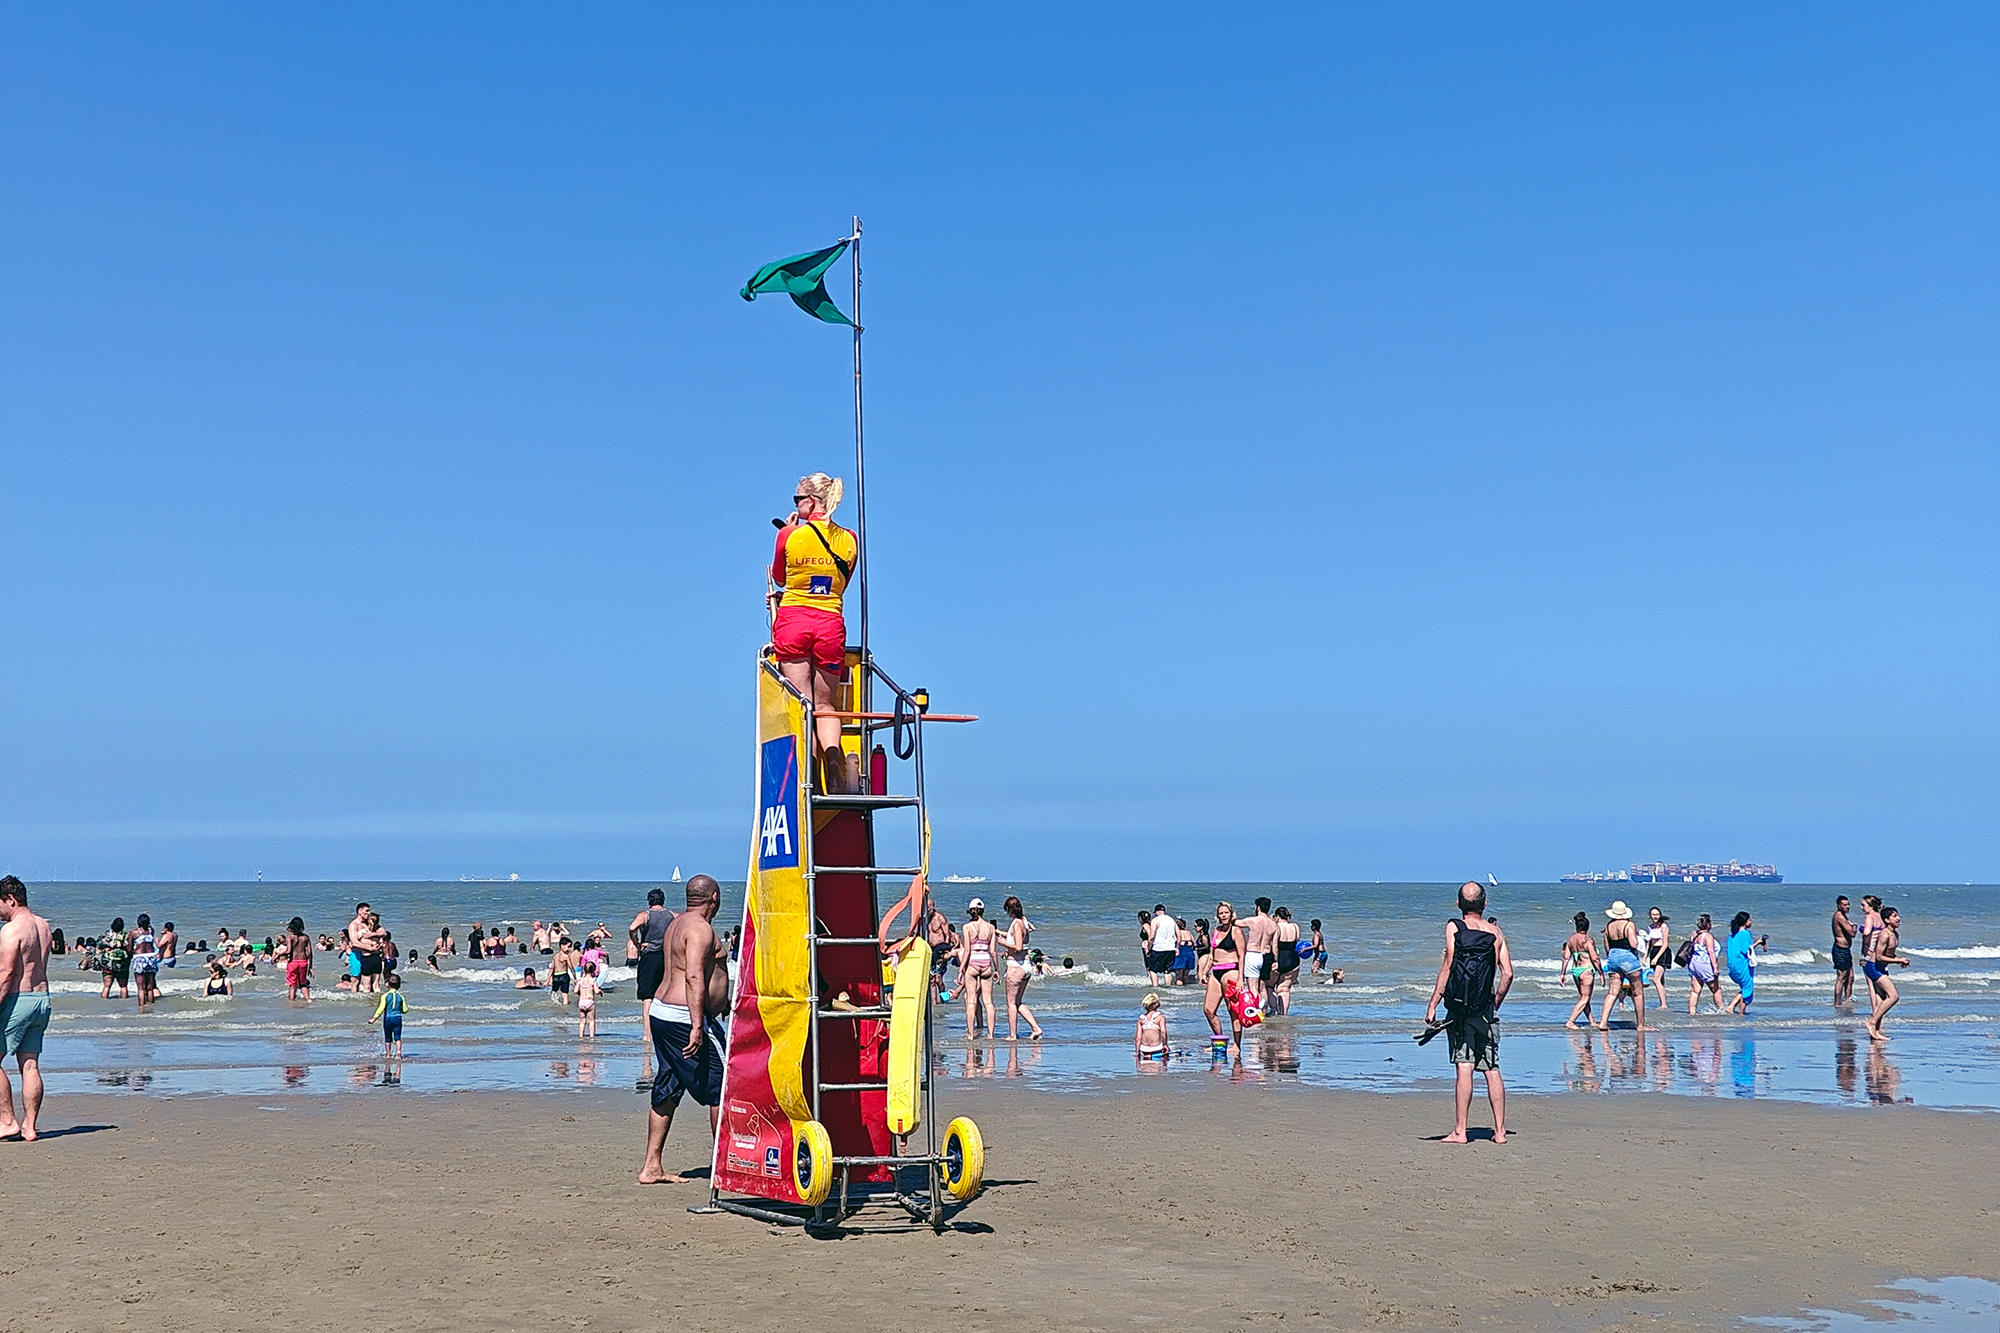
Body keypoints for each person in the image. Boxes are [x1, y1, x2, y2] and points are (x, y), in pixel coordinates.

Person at [766, 473, 860, 794]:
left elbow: (780, 577)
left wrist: (791, 531)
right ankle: (833, 765)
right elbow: (840, 583)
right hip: (830, 624)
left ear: (810, 502)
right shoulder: (849, 539)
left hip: (793, 620)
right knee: (825, 704)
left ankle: (809, 777)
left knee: (801, 703)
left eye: (797, 499)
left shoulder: (789, 536)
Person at [639, 875, 728, 1185]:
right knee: (723, 1086)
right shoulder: (700, 929)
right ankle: (724, 1166)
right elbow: (692, 977)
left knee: (669, 1084)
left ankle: (652, 1166)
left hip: (663, 1012)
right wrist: (697, 1025)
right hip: (684, 1016)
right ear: (714, 897)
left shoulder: (677, 923)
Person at [1424, 882, 1513, 1145]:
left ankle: (1460, 1131)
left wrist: (1432, 1004)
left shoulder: (1454, 927)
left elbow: (1448, 966)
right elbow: (1508, 973)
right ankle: (1499, 1132)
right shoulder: (1495, 932)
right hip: (1484, 1009)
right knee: (1492, 1068)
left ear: (1458, 904)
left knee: (1465, 1068)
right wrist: (1495, 1001)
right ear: (1485, 905)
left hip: (1459, 1008)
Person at [0, 876, 54, 1142]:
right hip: (42, 999)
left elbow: (6, 973)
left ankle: (8, 1121)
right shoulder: (44, 926)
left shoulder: (11, 930)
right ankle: (29, 1128)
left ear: (10, 899)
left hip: (18, 1000)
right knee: (30, 1064)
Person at [1202, 902, 1247, 1055]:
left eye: (1226, 912)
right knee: (1208, 1010)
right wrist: (1204, 971)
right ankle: (1219, 1042)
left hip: (1231, 971)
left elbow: (1242, 956)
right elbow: (1211, 954)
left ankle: (1236, 1045)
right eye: (1221, 913)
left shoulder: (1236, 931)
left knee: (1232, 1011)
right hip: (1216, 972)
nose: (1223, 915)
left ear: (1231, 913)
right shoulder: (1216, 930)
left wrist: (1241, 978)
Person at [1596, 901, 1647, 1031]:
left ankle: (1603, 1022)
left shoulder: (1608, 927)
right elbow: (1634, 944)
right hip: (1628, 958)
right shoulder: (1629, 925)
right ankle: (1640, 1025)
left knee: (1612, 992)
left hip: (1613, 958)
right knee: (1637, 993)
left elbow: (1607, 948)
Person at [999, 896, 1043, 1042]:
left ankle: (1012, 1035)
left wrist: (1003, 943)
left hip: (1016, 966)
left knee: (1011, 1003)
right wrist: (1001, 933)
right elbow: (1021, 938)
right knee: (1018, 1002)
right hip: (1025, 965)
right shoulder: (1023, 921)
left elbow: (1017, 947)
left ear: (1009, 910)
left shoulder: (1017, 924)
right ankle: (1036, 1028)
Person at [630, 888, 675, 1030]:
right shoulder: (672, 915)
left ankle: (647, 1033)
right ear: (663, 900)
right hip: (667, 957)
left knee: (647, 997)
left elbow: (632, 928)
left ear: (649, 901)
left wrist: (636, 943)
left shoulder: (646, 915)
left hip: (649, 957)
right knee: (663, 995)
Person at [1863, 906, 1909, 1043]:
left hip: (1881, 968)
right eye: (1894, 916)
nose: (1898, 918)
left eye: (1898, 915)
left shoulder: (1895, 934)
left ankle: (1875, 1031)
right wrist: (1898, 960)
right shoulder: (1884, 934)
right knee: (1894, 996)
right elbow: (1878, 956)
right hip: (1874, 967)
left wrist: (1897, 959)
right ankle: (1871, 1022)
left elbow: (1888, 953)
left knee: (1880, 1002)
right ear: (1887, 920)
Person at [959, 899, 998, 1039]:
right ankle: (991, 1034)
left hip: (973, 964)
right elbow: (993, 951)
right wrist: (997, 969)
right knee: (988, 1002)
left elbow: (967, 950)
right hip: (986, 963)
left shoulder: (967, 927)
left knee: (971, 1001)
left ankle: (970, 1034)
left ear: (971, 910)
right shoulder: (990, 928)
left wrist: (960, 970)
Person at [1561, 913, 1601, 1029]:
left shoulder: (1571, 939)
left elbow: (1566, 958)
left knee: (1584, 997)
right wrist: (1601, 973)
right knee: (1585, 997)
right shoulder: (1588, 940)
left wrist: (1563, 973)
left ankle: (1592, 1021)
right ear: (1587, 927)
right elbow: (1594, 958)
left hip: (1575, 970)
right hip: (1587, 970)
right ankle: (1571, 1021)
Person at [1241, 898, 1278, 1007]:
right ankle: (1263, 1013)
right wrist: (1276, 960)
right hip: (1266, 955)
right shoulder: (1273, 925)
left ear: (1258, 907)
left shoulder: (1252, 920)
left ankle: (1253, 1012)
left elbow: (1234, 923)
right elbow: (1274, 946)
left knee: (1252, 987)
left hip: (1253, 953)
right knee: (1263, 987)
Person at [1686, 914, 1726, 1015]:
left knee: (1695, 990)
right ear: (1708, 924)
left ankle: (1692, 1012)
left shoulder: (1694, 934)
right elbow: (1710, 952)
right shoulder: (1708, 936)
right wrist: (1715, 967)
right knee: (1716, 989)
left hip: (1693, 963)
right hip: (1704, 963)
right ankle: (1721, 1010)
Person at [1270, 907, 1303, 1015]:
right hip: (1293, 958)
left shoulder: (1276, 927)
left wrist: (1275, 960)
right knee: (1285, 989)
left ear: (1277, 916)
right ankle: (1283, 1013)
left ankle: (1274, 1010)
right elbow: (1297, 940)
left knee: (1269, 986)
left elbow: (1274, 945)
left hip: (1280, 957)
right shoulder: (1295, 926)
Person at [1725, 912, 1759, 1015]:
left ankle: (1733, 1007)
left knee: (1744, 988)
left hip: (1733, 966)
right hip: (1742, 965)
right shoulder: (1745, 934)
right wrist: (1758, 942)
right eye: (1749, 920)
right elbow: (1747, 950)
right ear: (1745, 922)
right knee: (1747, 988)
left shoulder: (1732, 935)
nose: (1750, 922)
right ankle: (1739, 1012)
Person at [130, 914, 162, 1010]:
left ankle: (142, 1008)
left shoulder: (134, 932)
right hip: (151, 957)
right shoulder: (151, 931)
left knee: (141, 987)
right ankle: (150, 1006)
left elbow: (129, 946)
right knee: (150, 986)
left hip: (140, 958)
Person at [370, 974, 406, 1058]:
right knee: (397, 1036)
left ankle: (388, 1054)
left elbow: (381, 1008)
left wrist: (374, 1018)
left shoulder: (384, 996)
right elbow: (405, 1010)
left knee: (388, 1037)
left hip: (388, 1019)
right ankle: (398, 1052)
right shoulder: (401, 996)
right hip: (398, 1018)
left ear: (388, 984)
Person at [1831, 895, 1858, 1008]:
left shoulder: (1844, 916)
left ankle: (1847, 1000)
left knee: (1850, 977)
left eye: (1848, 904)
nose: (1847, 907)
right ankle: (1837, 1003)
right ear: (1839, 905)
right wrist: (1854, 926)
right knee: (1841, 977)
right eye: (1845, 905)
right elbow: (1852, 934)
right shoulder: (1839, 916)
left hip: (1846, 950)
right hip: (1840, 950)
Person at [1643, 907, 1672, 1009]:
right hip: (1653, 951)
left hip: (1662, 952)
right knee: (1660, 979)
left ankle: (1663, 1005)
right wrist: (1645, 956)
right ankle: (1663, 1002)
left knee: (1656, 979)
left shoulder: (1663, 926)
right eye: (1653, 914)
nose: (1655, 916)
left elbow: (1665, 944)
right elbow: (1649, 944)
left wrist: (1657, 957)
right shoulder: (1650, 927)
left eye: (1657, 914)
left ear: (1660, 915)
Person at [98, 916, 131, 1000]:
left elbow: (99, 944)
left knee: (106, 986)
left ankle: (103, 1003)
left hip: (107, 961)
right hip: (121, 962)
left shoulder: (107, 934)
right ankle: (124, 1002)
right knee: (123, 986)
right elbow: (129, 947)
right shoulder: (125, 935)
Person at [1143, 904, 1177, 985]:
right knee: (1167, 971)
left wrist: (1148, 948)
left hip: (1158, 948)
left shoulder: (1155, 920)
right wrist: (1177, 947)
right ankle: (1168, 986)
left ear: (1157, 912)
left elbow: (1151, 937)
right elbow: (1178, 935)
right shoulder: (1171, 920)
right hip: (1170, 948)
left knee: (1153, 970)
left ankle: (1155, 986)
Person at [283, 916, 312, 1001]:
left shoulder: (290, 937)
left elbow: (288, 951)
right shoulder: (306, 937)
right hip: (303, 962)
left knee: (292, 985)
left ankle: (292, 1001)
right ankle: (308, 999)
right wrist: (310, 966)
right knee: (303, 983)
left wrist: (278, 954)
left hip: (293, 962)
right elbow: (309, 953)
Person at [1135, 993, 1168, 1060]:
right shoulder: (1160, 1018)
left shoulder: (1141, 1019)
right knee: (1157, 1067)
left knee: (1146, 1066)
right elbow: (1163, 1032)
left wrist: (1137, 1051)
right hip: (1156, 1047)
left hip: (1145, 1048)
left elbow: (1138, 1038)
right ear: (1156, 1004)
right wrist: (1165, 1044)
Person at [576, 962, 600, 1039]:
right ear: (593, 970)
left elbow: (575, 991)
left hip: (581, 1002)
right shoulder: (593, 980)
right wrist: (599, 991)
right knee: (591, 1021)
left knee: (582, 1021)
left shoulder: (580, 980)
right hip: (589, 1002)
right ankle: (591, 1036)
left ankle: (581, 1036)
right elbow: (596, 991)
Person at [551, 937, 575, 1006]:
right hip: (564, 976)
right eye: (568, 946)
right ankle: (565, 1007)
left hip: (555, 976)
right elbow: (571, 968)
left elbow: (552, 968)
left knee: (554, 994)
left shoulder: (555, 956)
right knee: (565, 995)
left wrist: (548, 979)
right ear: (562, 946)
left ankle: (555, 1006)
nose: (569, 949)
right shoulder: (566, 956)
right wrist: (575, 979)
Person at [1171, 918, 1196, 985]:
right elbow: (1194, 944)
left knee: (1179, 977)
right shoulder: (1189, 933)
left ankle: (1179, 992)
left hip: (1181, 952)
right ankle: (1186, 991)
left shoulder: (1177, 933)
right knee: (1185, 976)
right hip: (1190, 952)